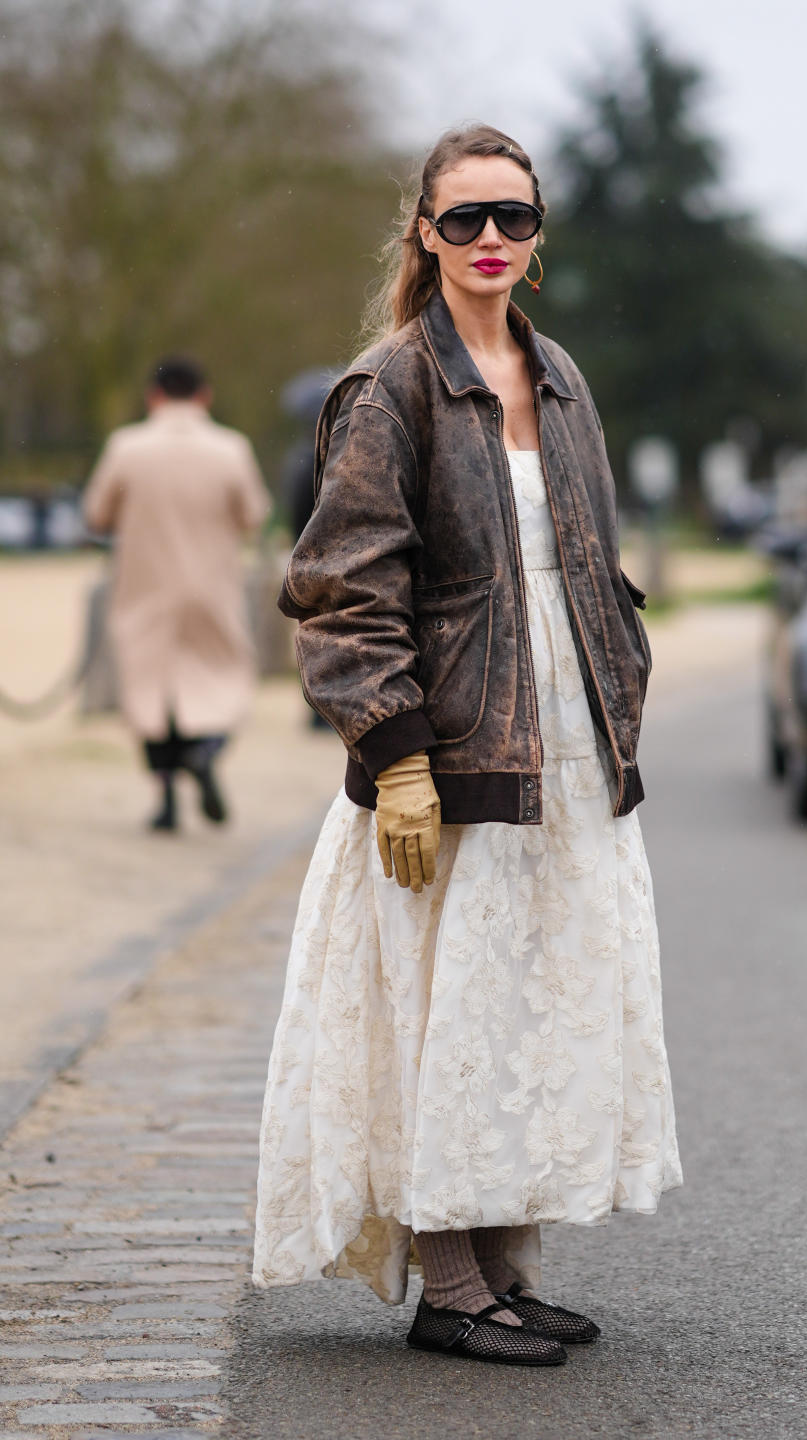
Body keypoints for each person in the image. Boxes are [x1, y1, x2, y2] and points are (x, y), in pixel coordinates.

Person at [253, 125, 681, 1367]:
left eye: (514, 218)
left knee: (523, 1012)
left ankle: (502, 1265)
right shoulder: (385, 389)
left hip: (571, 747)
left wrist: (625, 684)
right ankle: (448, 1289)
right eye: (464, 220)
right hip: (450, 752)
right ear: (423, 235)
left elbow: (587, 561)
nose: (490, 239)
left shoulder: (562, 378)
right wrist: (394, 757)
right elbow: (341, 590)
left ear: (539, 237)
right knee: (448, 1013)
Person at [83, 357, 271, 831]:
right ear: (204, 396)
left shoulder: (127, 446)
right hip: (211, 587)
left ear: (154, 396)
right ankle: (204, 752)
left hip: (145, 587)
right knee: (219, 680)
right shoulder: (231, 448)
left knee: (152, 694)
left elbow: (96, 514)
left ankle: (165, 800)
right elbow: (253, 515)